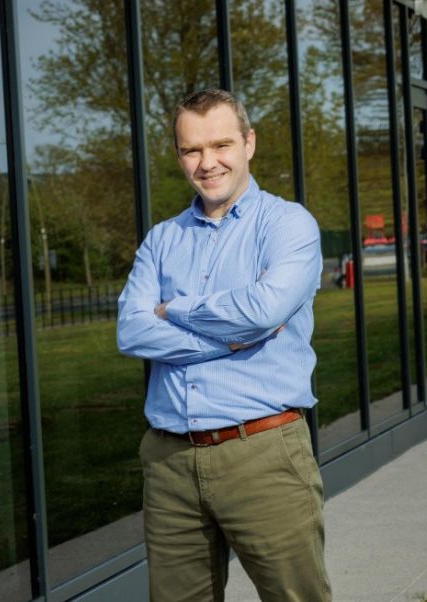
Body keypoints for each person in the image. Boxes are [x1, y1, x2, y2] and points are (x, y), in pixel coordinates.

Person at [117, 88, 331, 601]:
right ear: (178, 155)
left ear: (249, 143)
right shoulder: (162, 239)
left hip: (262, 454)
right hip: (169, 463)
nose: (207, 162)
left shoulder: (288, 225)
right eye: (192, 150)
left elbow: (263, 311)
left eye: (221, 145)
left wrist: (179, 309)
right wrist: (231, 340)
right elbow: (132, 331)